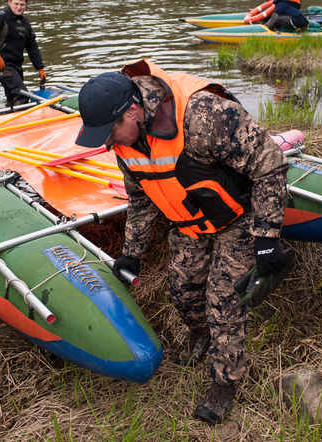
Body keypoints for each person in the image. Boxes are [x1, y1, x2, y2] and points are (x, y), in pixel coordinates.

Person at [74, 58, 289, 424]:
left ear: (132, 111)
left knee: (224, 300)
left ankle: (225, 383)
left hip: (238, 218)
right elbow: (141, 197)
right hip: (189, 222)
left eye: (108, 132)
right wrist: (132, 254)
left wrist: (266, 238)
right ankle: (201, 333)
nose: (106, 143)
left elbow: (271, 165)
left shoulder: (204, 115)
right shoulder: (125, 142)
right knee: (182, 290)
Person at [0, 0, 46, 105]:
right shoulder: (0, 17)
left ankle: (9, 115)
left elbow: (32, 46)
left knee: (13, 97)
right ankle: (25, 120)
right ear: (9, 3)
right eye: (16, 4)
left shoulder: (25, 23)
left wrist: (39, 67)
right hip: (2, 64)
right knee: (21, 95)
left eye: (22, 5)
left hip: (17, 66)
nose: (19, 7)